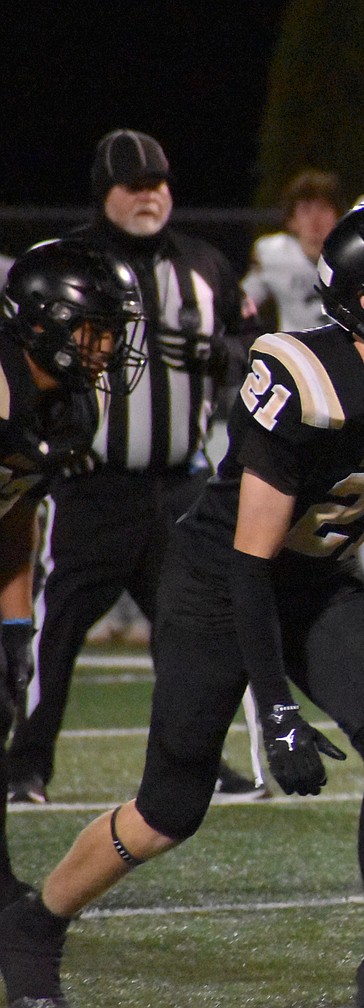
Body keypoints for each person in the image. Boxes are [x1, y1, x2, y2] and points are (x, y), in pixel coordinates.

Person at [0, 194, 364, 1008]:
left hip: (321, 577)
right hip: (218, 583)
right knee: (169, 810)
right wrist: (276, 709)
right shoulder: (303, 377)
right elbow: (249, 563)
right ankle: (36, 924)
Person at [6, 129, 264, 805]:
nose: (150, 196)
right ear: (105, 194)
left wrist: (225, 356)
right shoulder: (66, 263)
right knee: (55, 631)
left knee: (196, 632)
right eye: (134, 185)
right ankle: (25, 763)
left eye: (159, 183)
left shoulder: (205, 264)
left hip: (181, 485)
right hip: (92, 485)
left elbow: (252, 340)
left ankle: (197, 757)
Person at [0, 239, 146, 916]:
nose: (108, 347)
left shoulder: (70, 408)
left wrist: (15, 624)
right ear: (44, 322)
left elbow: (16, 512)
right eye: (96, 329)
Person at [242, 168, 344, 332]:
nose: (315, 219)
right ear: (292, 221)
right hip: (293, 346)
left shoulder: (352, 256)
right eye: (305, 210)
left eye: (323, 208)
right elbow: (244, 304)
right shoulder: (274, 254)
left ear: (338, 215)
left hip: (342, 345)